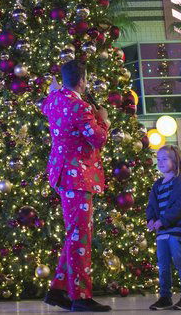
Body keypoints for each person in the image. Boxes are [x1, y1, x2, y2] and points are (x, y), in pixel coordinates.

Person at [41, 60, 111, 313]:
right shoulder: (80, 107)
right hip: (78, 176)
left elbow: (48, 101)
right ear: (82, 80)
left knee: (75, 233)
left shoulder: (54, 101)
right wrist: (103, 120)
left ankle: (57, 291)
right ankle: (81, 297)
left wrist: (56, 89)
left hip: (62, 174)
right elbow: (98, 138)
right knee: (80, 235)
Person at [146, 144, 181, 311]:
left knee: (180, 263)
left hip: (177, 230)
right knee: (163, 265)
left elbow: (179, 207)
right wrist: (151, 219)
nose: (160, 162)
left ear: (175, 161)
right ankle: (165, 297)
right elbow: (151, 206)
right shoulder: (158, 185)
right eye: (158, 159)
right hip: (162, 232)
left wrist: (162, 221)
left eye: (165, 158)